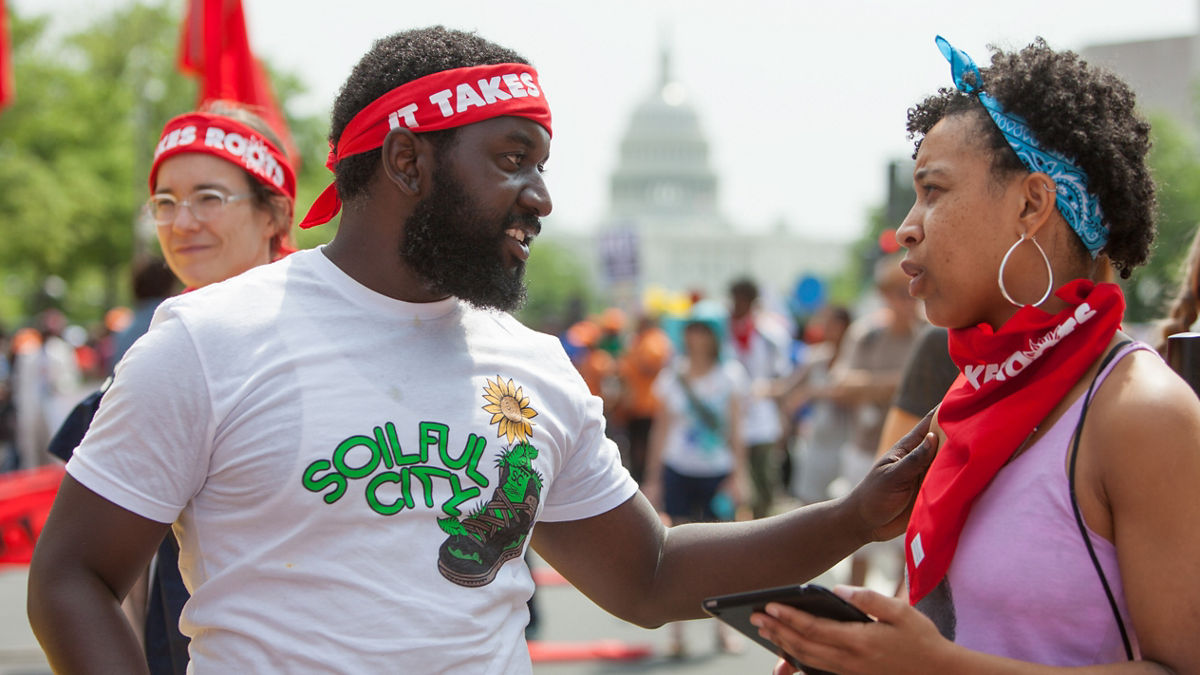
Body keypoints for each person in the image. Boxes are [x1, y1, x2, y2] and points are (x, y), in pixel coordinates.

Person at [28, 27, 936, 674]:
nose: (540, 197)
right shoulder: (212, 340)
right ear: (408, 162)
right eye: (511, 159)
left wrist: (852, 517)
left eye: (542, 165)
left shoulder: (533, 368)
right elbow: (72, 573)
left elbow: (651, 574)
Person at [754, 36, 1200, 673]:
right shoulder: (969, 394)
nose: (908, 226)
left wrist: (932, 668)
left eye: (933, 191)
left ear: (1031, 204)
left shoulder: (1140, 411)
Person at [643, 305, 748, 657]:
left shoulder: (730, 375)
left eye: (704, 330)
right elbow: (661, 429)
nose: (697, 337)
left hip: (717, 472)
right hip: (678, 470)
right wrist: (653, 478)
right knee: (677, 554)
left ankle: (724, 630)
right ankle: (678, 635)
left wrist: (739, 474)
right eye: (692, 330)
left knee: (724, 556)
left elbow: (736, 429)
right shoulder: (673, 376)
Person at [727, 277, 793, 520]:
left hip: (763, 423)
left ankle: (763, 533)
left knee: (764, 485)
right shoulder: (722, 332)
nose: (737, 305)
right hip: (730, 423)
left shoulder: (771, 336)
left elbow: (783, 381)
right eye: (734, 300)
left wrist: (783, 419)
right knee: (736, 487)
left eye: (742, 300)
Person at [779, 304, 854, 505]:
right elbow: (789, 386)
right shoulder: (816, 357)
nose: (826, 328)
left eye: (831, 323)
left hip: (846, 443)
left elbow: (842, 392)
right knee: (809, 503)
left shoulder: (855, 357)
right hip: (818, 442)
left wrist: (810, 392)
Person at [616, 312, 673, 483]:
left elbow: (651, 363)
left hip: (648, 406)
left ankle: (648, 481)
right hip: (635, 406)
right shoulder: (641, 339)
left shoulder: (654, 339)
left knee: (647, 448)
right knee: (636, 448)